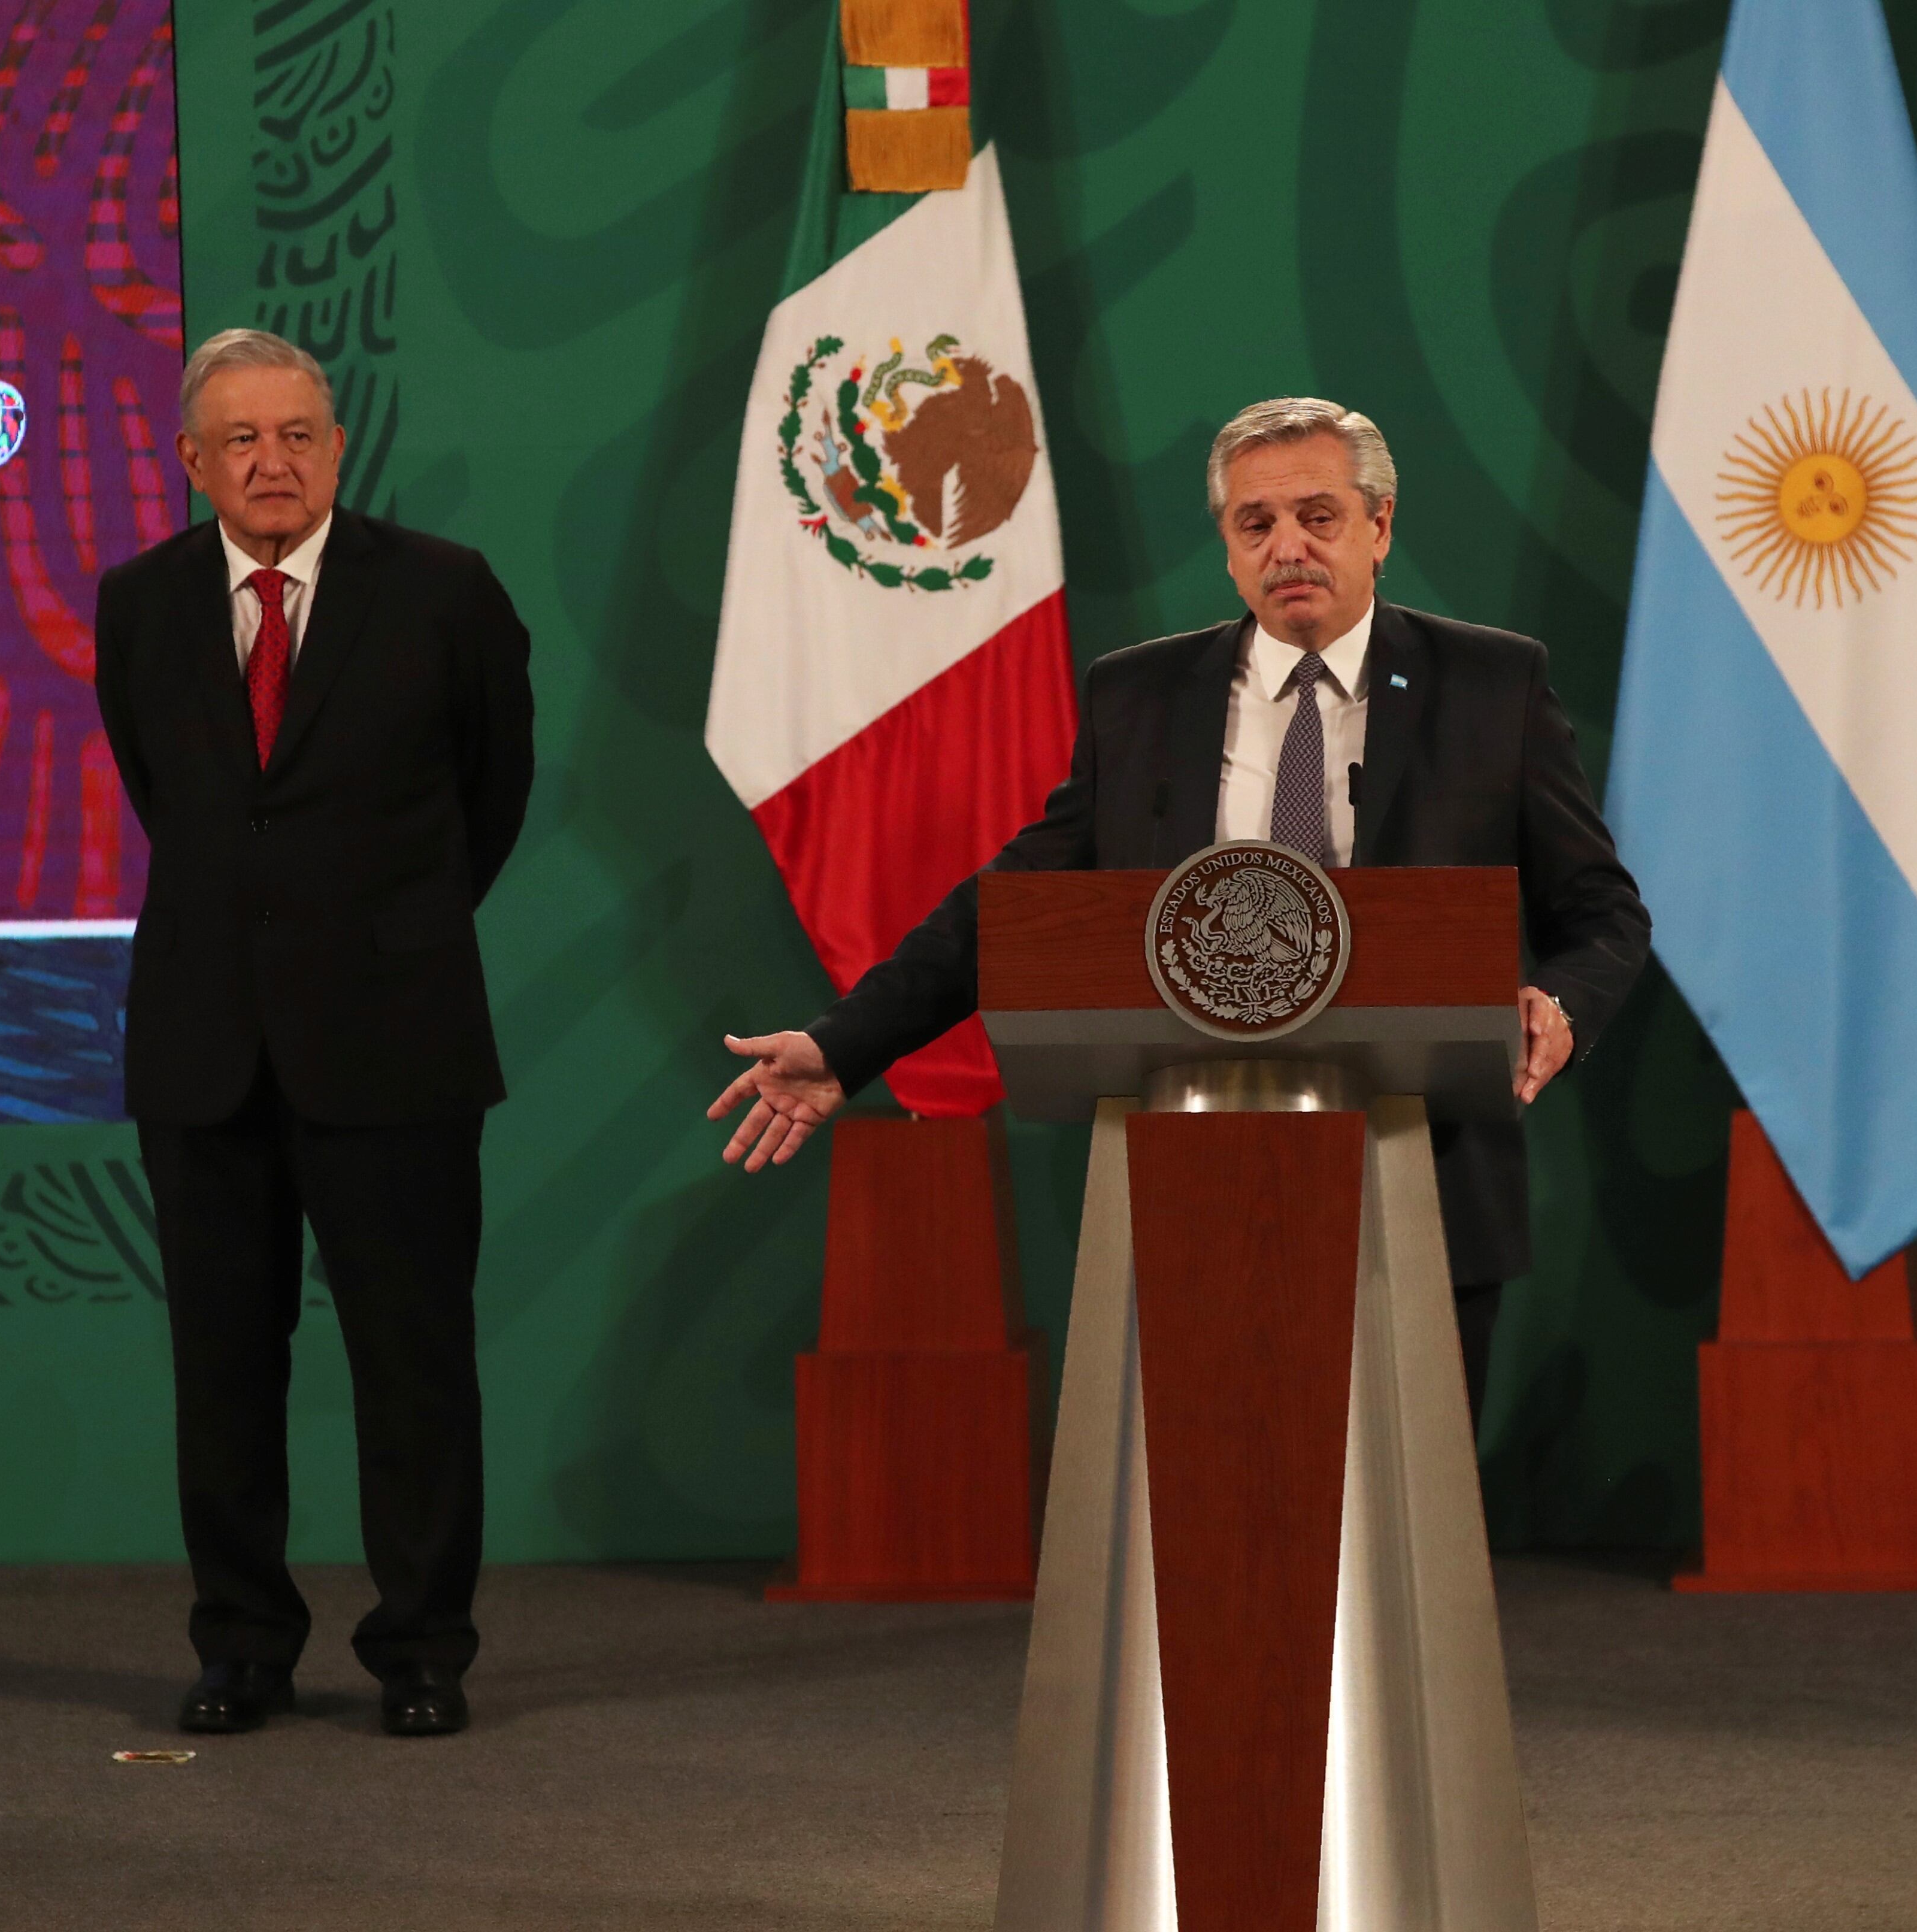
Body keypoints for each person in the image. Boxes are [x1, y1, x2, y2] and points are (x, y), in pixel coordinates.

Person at [707, 396, 1650, 1413]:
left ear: (1380, 528)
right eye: (1256, 524)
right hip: (1193, 1174)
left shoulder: (1491, 685)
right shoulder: (1142, 697)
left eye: (1318, 516)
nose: (1288, 545)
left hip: (1426, 1174)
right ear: (1228, 549)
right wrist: (846, 1044)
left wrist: (1556, 1004)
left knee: (1407, 1532)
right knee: (1212, 1519)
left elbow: (1601, 910)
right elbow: (1018, 903)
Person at [94, 328, 533, 1738]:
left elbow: (492, 793)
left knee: (413, 1362)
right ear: (192, 462)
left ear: (338, 449)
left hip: (396, 1041)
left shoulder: (445, 593)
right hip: (203, 1047)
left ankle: (421, 1649)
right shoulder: (139, 602)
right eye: (240, 439)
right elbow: (173, 799)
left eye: (296, 434)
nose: (271, 461)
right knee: (223, 1367)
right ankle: (242, 1644)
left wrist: (380, 934)